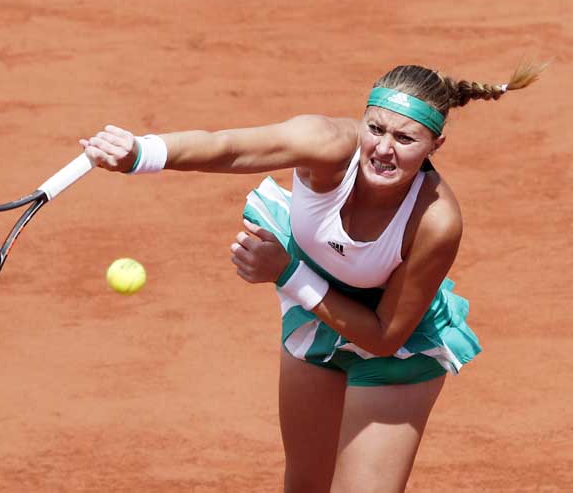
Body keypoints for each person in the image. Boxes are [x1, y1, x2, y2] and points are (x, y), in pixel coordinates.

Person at [78, 63, 544, 493]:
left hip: (394, 349)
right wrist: (142, 152)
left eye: (405, 139)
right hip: (316, 317)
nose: (383, 149)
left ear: (435, 146)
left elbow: (383, 336)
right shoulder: (326, 143)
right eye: (375, 129)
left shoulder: (435, 221)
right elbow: (231, 146)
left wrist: (286, 272)